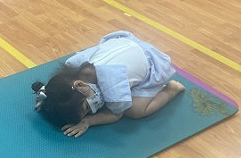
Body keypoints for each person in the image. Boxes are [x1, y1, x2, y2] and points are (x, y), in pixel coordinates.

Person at [32, 30, 185, 138]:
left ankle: (171, 90)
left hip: (150, 64)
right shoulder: (72, 65)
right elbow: (59, 92)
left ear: (80, 85)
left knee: (135, 111)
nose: (91, 111)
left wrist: (87, 121)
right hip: (123, 44)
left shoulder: (112, 86)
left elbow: (116, 114)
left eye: (86, 107)